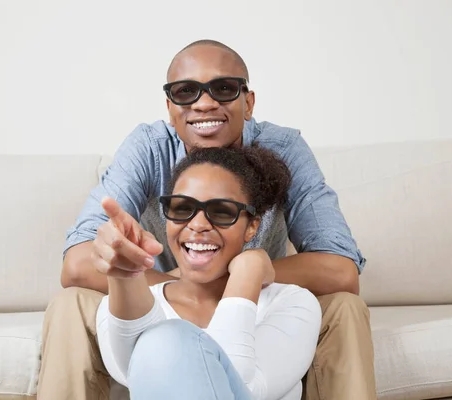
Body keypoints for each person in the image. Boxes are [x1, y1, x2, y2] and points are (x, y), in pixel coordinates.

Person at [37, 39, 376, 400]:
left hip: (259, 300)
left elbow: (341, 271)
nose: (204, 102)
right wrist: (182, 284)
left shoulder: (284, 148)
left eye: (224, 88)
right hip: (163, 298)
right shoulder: (150, 147)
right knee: (70, 303)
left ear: (249, 102)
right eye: (186, 91)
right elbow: (76, 265)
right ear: (170, 107)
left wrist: (247, 274)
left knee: (345, 308)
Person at [97, 145, 322, 400]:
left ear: (252, 227)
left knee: (166, 338)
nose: (198, 224)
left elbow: (241, 388)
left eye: (222, 212)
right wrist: (125, 274)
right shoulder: (115, 307)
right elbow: (137, 366)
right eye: (182, 208)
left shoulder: (293, 303)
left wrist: (249, 270)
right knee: (161, 340)